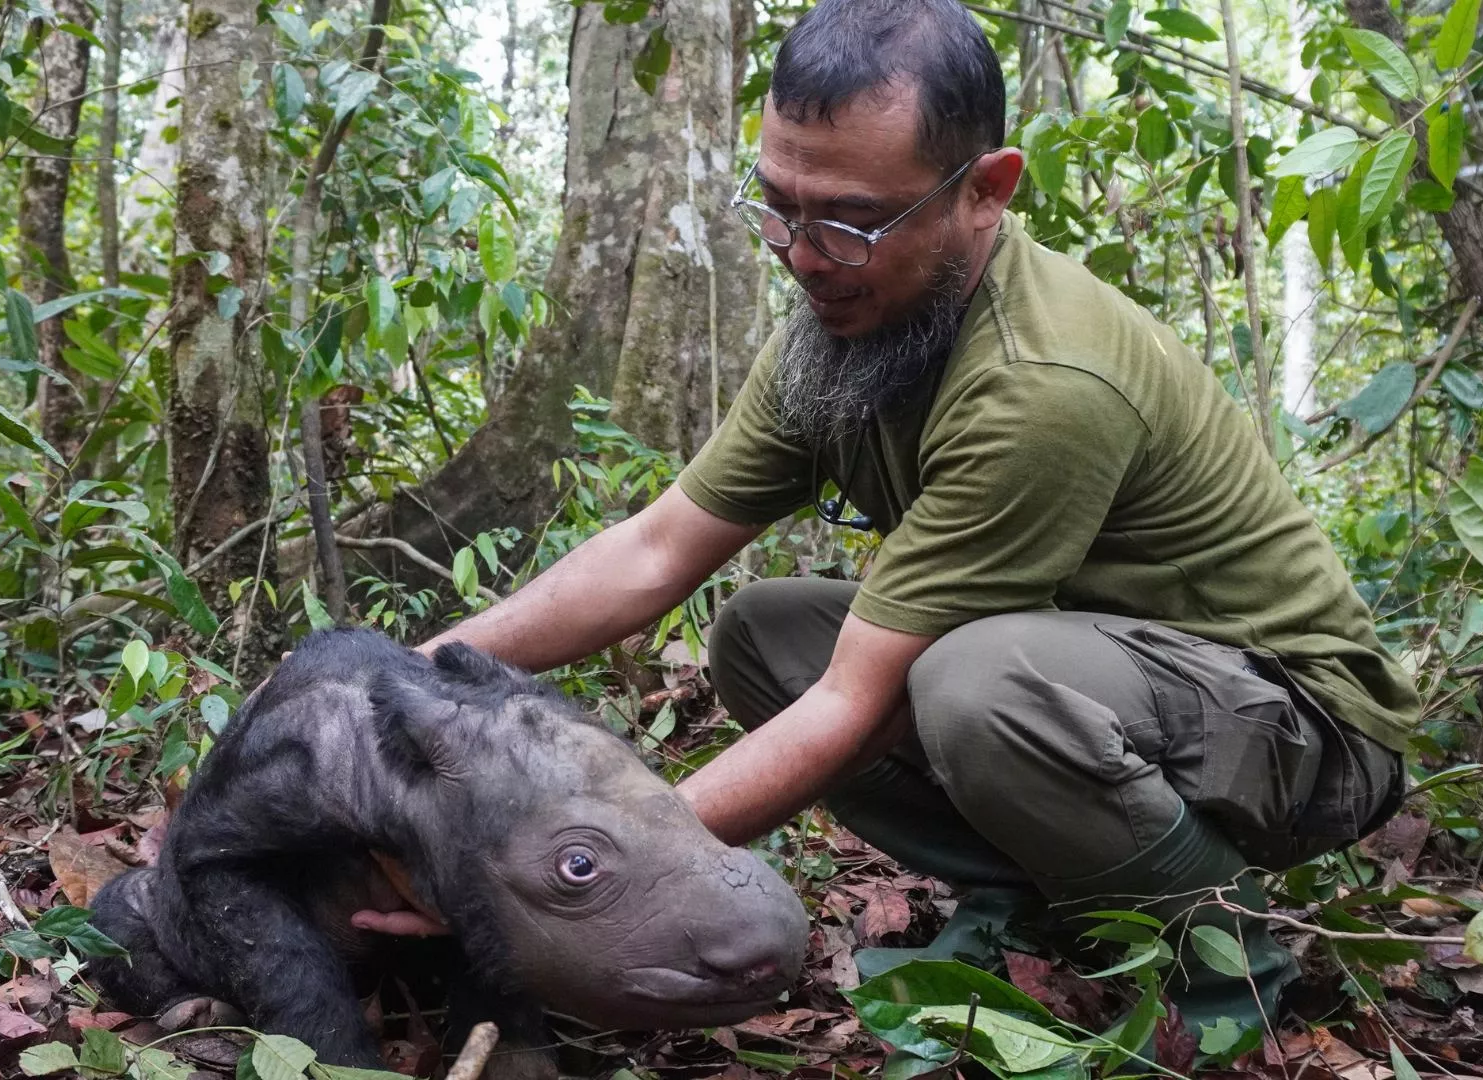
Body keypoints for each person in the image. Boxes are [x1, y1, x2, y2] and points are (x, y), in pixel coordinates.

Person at [357, 0, 1418, 1044]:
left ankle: (1227, 962)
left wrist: (558, 887)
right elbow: (653, 552)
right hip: (1121, 693)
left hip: (1299, 729)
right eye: (779, 205)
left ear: (986, 191)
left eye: (855, 220)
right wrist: (382, 675)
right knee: (762, 631)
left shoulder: (1043, 383)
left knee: (977, 684)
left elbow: (855, 706)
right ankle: (1038, 907)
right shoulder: (845, 327)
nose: (804, 254)